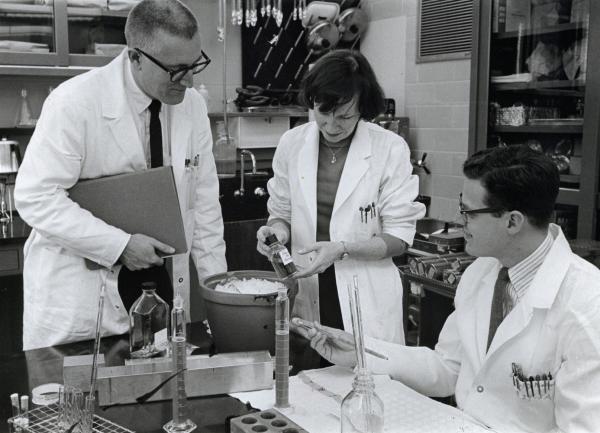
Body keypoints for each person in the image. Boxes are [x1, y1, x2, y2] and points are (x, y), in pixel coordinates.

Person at [297, 145, 600, 432]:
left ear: (513, 222)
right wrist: (361, 352)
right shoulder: (482, 271)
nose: (459, 221)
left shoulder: (587, 302)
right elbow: (447, 368)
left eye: (468, 212)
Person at [14, 0, 226, 350]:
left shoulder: (192, 106)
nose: (188, 80)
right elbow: (35, 197)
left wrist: (217, 292)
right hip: (81, 302)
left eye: (195, 65)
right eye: (176, 69)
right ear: (135, 57)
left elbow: (203, 205)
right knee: (82, 401)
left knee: (162, 395)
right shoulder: (75, 103)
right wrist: (119, 245)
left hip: (159, 292)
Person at [256, 49, 425, 348]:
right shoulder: (292, 143)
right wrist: (276, 234)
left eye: (345, 116)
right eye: (323, 112)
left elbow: (399, 237)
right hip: (307, 285)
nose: (332, 126)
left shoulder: (390, 149)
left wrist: (342, 249)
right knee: (311, 382)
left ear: (364, 109)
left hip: (366, 291)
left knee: (365, 380)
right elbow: (281, 212)